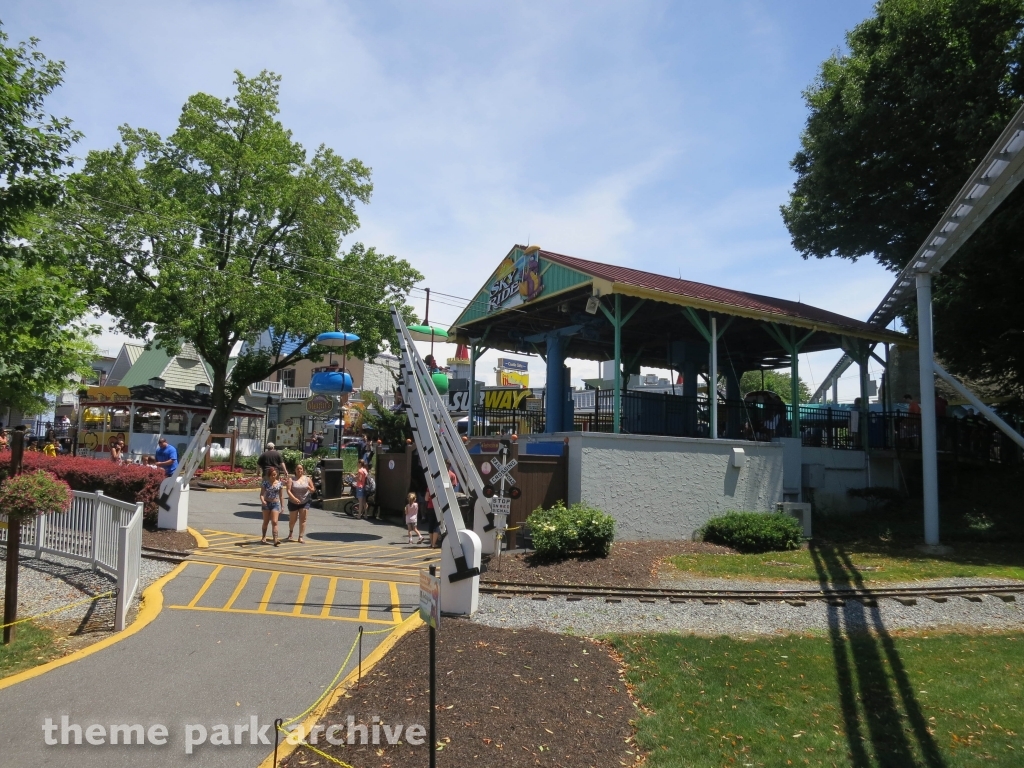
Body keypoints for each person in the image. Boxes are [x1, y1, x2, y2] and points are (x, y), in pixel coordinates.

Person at [285, 464, 313, 543]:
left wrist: (310, 489)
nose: (299, 470)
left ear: (303, 470)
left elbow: (313, 489)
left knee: (303, 519)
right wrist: (294, 498)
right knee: (293, 520)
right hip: (293, 502)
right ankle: (291, 532)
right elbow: (288, 491)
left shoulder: (308, 479)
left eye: (301, 469)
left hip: (305, 502)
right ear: (295, 470)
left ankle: (300, 537)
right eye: (298, 469)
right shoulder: (291, 479)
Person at [260, 467, 284, 546]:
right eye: (272, 475)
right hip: (267, 503)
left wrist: (282, 506)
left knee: (274, 522)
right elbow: (262, 494)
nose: (273, 476)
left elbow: (281, 496)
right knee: (266, 521)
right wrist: (263, 501)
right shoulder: (265, 483)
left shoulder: (279, 483)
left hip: (275, 504)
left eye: (275, 475)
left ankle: (275, 539)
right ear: (269, 475)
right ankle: (264, 536)